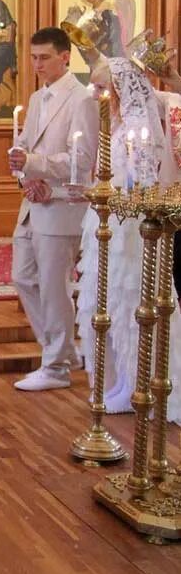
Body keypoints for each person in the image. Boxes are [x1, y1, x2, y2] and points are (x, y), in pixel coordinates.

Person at [74, 56, 181, 419]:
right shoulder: (117, 127)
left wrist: (120, 197)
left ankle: (141, 381)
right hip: (111, 224)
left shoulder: (140, 128)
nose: (96, 94)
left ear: (121, 91)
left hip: (133, 233)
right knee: (109, 303)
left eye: (102, 88)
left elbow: (146, 183)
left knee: (132, 303)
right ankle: (120, 378)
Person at [8, 26, 99, 391]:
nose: (37, 64)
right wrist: (23, 174)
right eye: (33, 57)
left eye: (44, 57)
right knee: (23, 277)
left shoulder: (82, 99)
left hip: (62, 206)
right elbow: (24, 150)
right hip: (33, 203)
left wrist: (36, 164)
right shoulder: (36, 97)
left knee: (53, 286)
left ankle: (57, 366)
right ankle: (59, 351)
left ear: (65, 57)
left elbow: (82, 158)